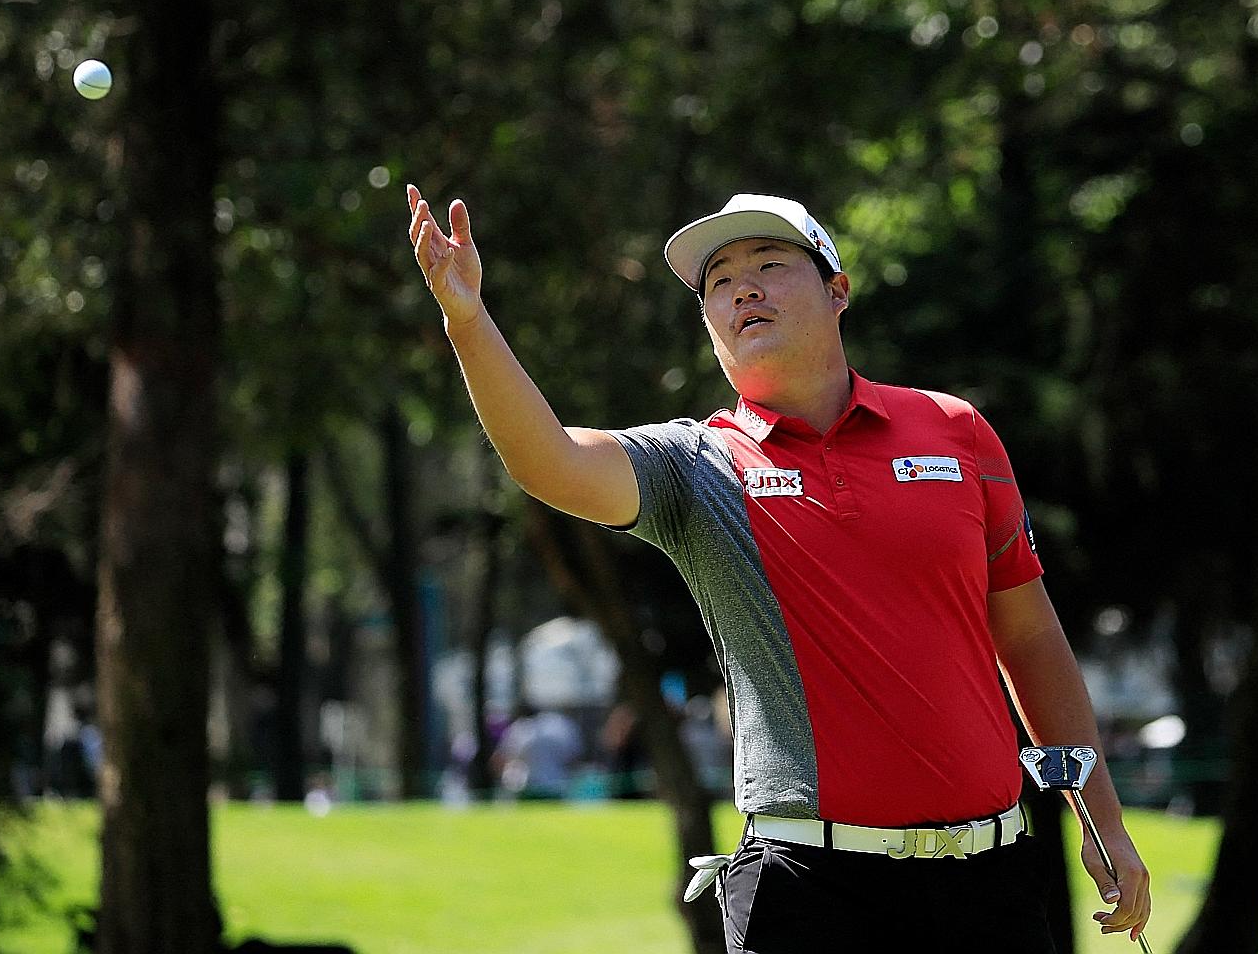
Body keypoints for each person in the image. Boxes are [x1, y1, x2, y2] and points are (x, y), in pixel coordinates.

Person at [405, 186, 1151, 953]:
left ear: (838, 292)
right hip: (809, 894)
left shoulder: (956, 431)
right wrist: (468, 321)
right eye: (720, 282)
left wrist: (1104, 822)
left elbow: (1027, 636)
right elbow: (550, 461)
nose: (744, 288)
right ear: (710, 323)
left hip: (991, 884)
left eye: (769, 263)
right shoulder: (698, 466)